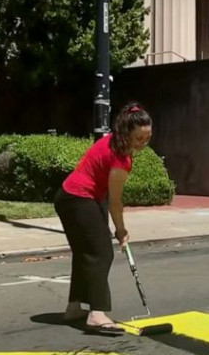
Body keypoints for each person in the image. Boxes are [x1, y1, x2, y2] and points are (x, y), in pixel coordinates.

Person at [53, 103, 152, 334]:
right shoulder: (121, 160)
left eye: (147, 138)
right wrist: (121, 230)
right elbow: (115, 201)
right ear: (126, 132)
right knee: (101, 253)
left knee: (85, 251)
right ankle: (97, 314)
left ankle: (74, 307)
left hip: (68, 197)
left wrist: (109, 225)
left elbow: (104, 194)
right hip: (78, 198)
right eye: (139, 138)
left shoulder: (110, 139)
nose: (143, 144)